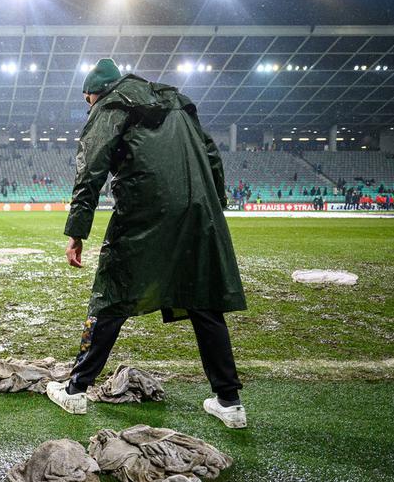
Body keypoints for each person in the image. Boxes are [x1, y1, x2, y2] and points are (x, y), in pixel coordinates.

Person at [48, 58, 248, 429]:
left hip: (145, 210)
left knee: (111, 296)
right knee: (204, 301)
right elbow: (212, 154)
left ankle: (76, 390)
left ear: (96, 92)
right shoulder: (176, 102)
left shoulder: (110, 105)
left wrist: (77, 231)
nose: (89, 108)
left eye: (88, 101)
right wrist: (214, 204)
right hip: (198, 210)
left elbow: (90, 169)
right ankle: (230, 402)